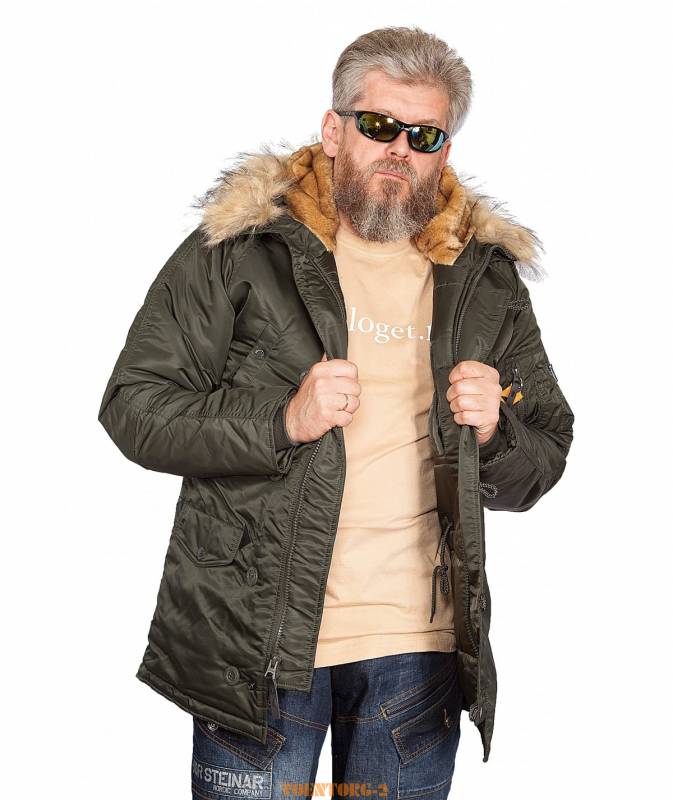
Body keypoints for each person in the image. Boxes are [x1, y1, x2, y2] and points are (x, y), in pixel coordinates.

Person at [98, 25, 574, 798]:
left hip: (418, 657)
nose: (399, 150)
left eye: (423, 135)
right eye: (378, 125)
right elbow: (134, 406)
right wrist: (280, 422)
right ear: (332, 129)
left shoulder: (483, 277)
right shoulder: (242, 247)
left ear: (443, 151)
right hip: (256, 650)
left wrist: (494, 431)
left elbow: (543, 454)